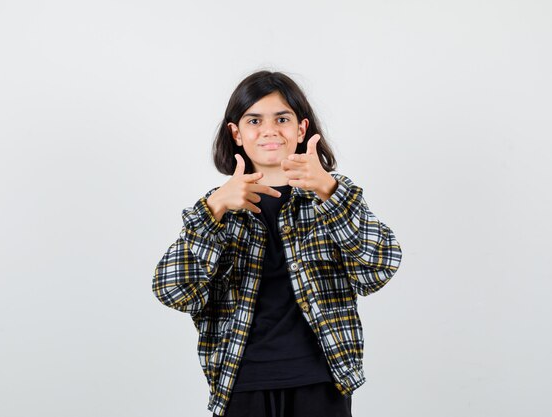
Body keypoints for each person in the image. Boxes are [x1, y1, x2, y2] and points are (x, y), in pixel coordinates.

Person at [152, 70, 403, 417]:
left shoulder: (329, 195)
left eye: (281, 118)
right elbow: (173, 291)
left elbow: (378, 269)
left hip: (321, 382)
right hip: (242, 384)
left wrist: (329, 191)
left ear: (301, 129)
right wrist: (215, 208)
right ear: (236, 133)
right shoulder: (217, 208)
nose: (269, 130)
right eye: (254, 120)